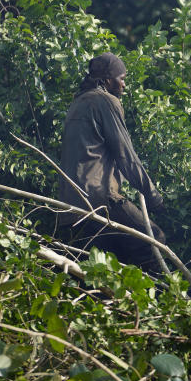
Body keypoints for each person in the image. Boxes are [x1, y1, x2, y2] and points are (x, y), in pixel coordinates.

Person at [57, 52, 166, 271]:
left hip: (71, 210)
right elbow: (126, 156)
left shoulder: (77, 103)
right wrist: (154, 198)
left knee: (104, 272)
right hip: (100, 200)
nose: (124, 85)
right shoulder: (105, 101)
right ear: (107, 80)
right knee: (155, 241)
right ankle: (156, 299)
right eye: (122, 78)